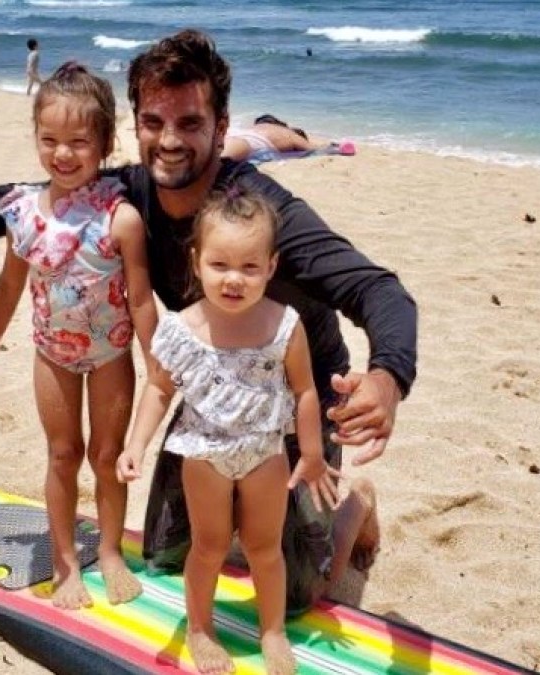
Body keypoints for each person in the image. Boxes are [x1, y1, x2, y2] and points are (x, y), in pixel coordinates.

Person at [0, 29, 411, 616]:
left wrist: (387, 376)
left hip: (295, 410)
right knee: (164, 558)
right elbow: (24, 195)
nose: (168, 141)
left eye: (190, 123)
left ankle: (355, 506)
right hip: (211, 406)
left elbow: (379, 289)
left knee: (297, 596)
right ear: (134, 126)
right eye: (154, 122)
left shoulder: (266, 218)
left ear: (220, 125)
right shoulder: (125, 193)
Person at [0, 62, 157, 611]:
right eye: (50, 141)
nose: (63, 154)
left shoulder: (122, 218)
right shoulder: (21, 214)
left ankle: (110, 552)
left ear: (106, 142)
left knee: (108, 454)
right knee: (63, 454)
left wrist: (157, 360)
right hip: (53, 355)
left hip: (112, 353)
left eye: (78, 142)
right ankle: (67, 563)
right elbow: (11, 286)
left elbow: (140, 299)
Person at [117, 188, 339, 674]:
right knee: (209, 546)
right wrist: (135, 445)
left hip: (265, 452)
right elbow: (158, 389)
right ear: (196, 262)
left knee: (265, 547)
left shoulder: (284, 325)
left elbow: (304, 391)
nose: (234, 279)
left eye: (249, 267)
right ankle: (199, 628)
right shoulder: (179, 329)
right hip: (204, 454)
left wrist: (313, 454)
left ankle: (272, 631)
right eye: (220, 265)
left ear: (271, 266)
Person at [222, 114, 355, 164]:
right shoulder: (288, 133)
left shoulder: (258, 127)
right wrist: (336, 147)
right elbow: (313, 149)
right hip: (253, 141)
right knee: (231, 153)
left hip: (235, 133)